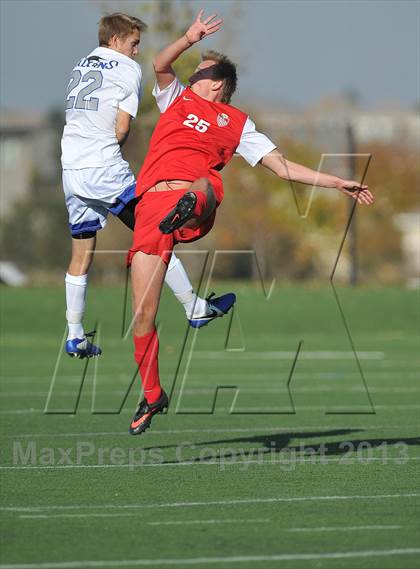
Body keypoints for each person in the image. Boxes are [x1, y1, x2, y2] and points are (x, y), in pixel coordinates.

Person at [127, 10, 374, 435]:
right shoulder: (176, 97)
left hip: (196, 197)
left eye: (201, 70)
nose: (193, 72)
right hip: (152, 208)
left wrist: (335, 182)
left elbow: (281, 167)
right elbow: (160, 64)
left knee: (204, 182)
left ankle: (188, 204)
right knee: (143, 316)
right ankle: (153, 394)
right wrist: (188, 37)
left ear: (217, 82)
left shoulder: (237, 124)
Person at [61, 12, 236, 360]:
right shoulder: (127, 69)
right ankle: (193, 307)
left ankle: (75, 334)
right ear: (115, 41)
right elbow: (122, 128)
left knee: (81, 253)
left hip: (70, 166)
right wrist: (109, 153)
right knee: (155, 229)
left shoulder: (81, 64)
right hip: (102, 167)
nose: (137, 51)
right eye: (133, 43)